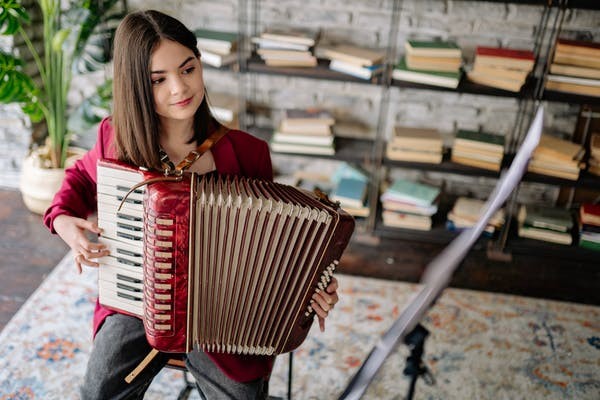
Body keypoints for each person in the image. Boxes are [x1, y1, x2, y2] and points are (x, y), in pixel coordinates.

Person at [43, 10, 339, 400]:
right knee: (97, 393)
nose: (179, 89)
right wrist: (64, 222)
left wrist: (312, 285)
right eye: (158, 80)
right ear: (135, 86)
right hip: (137, 299)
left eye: (188, 69)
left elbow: (276, 248)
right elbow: (79, 179)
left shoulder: (248, 154)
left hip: (226, 316)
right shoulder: (115, 139)